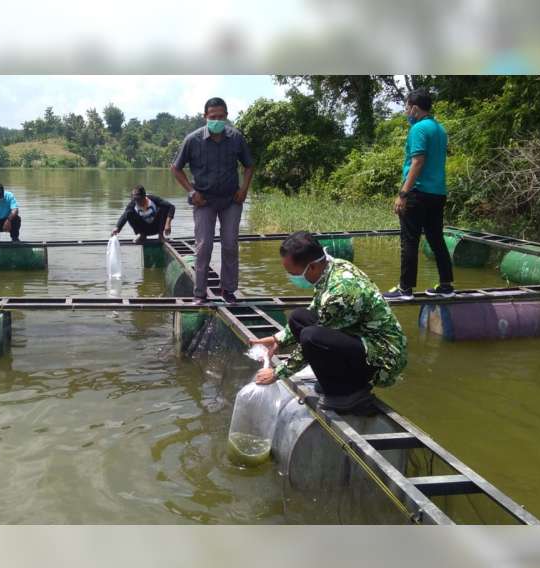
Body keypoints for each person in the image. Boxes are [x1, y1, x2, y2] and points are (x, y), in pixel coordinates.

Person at [250, 232, 407, 413]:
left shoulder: (341, 292)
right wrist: (278, 339)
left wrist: (277, 373)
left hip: (382, 358)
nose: (292, 277)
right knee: (298, 317)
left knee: (311, 336)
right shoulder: (331, 267)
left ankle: (350, 394)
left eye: (293, 273)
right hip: (361, 340)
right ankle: (338, 383)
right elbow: (315, 310)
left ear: (312, 267)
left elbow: (313, 338)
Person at [171, 97, 254, 305]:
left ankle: (228, 291)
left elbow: (249, 165)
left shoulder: (236, 138)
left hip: (231, 200)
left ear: (226, 116)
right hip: (204, 201)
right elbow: (176, 168)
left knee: (230, 244)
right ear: (205, 117)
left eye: (221, 116)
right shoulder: (193, 140)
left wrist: (244, 189)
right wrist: (192, 192)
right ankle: (200, 294)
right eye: (213, 117)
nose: (217, 120)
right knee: (204, 246)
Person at [384, 88, 455, 300]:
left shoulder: (418, 129)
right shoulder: (440, 129)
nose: (406, 112)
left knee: (409, 241)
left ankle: (405, 289)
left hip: (418, 193)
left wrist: (403, 194)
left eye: (406, 107)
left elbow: (418, 161)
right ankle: (446, 286)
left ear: (415, 108)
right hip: (437, 193)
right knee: (436, 239)